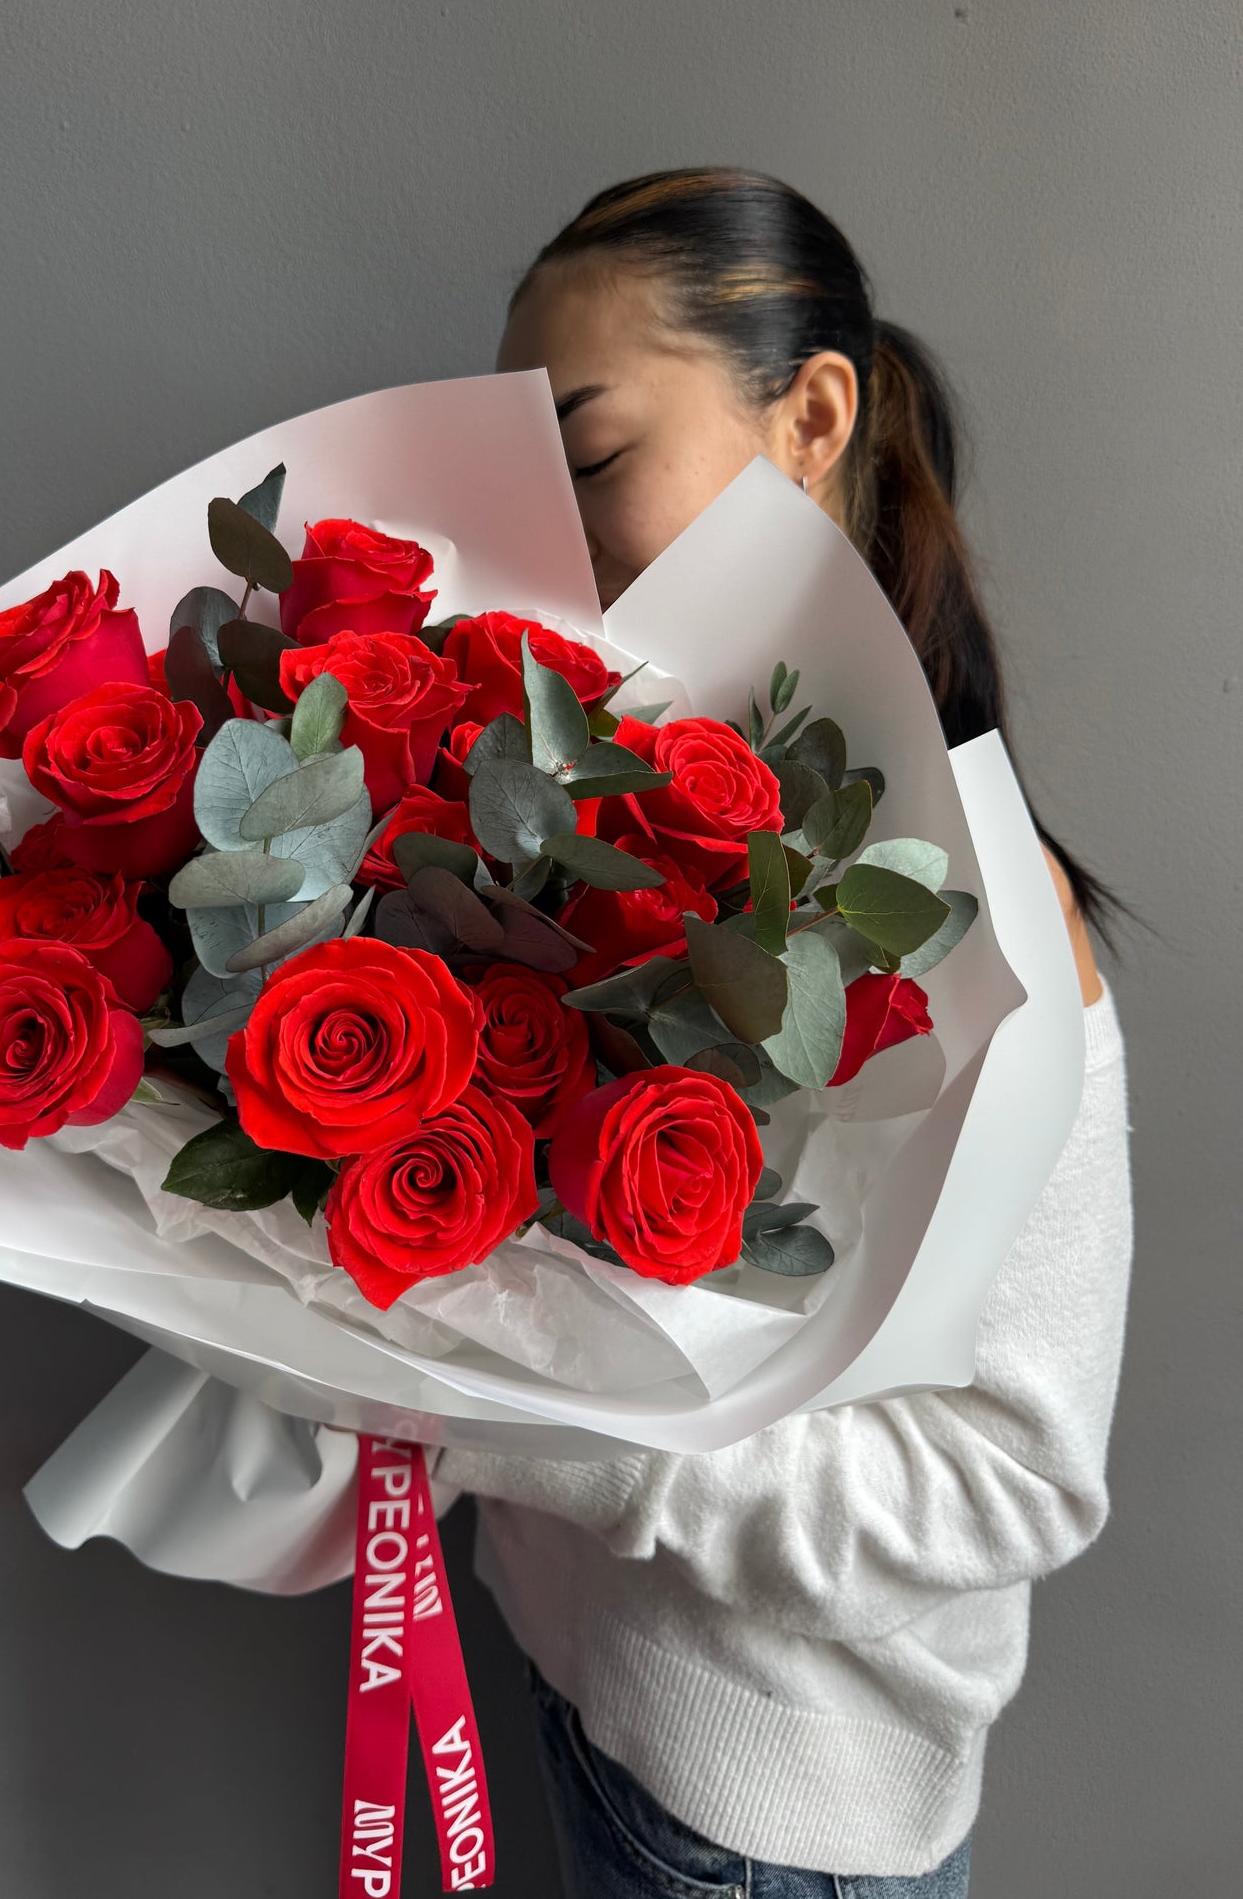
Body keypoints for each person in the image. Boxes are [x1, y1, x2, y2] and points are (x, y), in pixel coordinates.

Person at [434, 170, 1132, 1899]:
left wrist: (502, 1417)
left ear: (812, 417)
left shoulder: (969, 921)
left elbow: (1004, 1483)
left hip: (763, 1818)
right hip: (595, 1695)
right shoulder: (626, 809)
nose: (543, 535)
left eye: (593, 459)